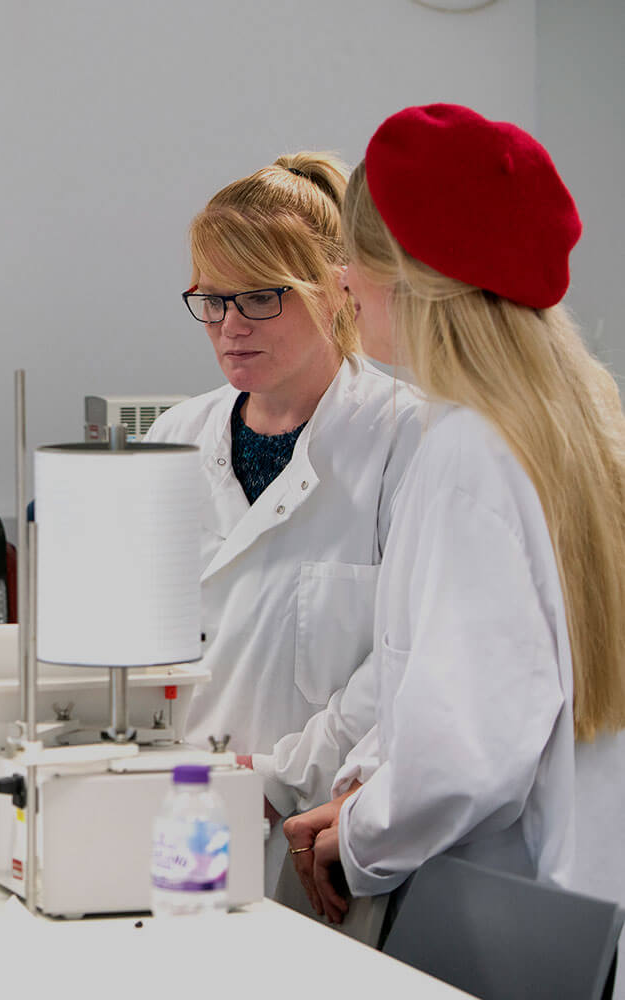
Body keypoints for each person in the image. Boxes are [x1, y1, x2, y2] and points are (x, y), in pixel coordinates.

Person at [284, 105, 625, 976]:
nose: (343, 280)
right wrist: (367, 787)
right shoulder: (587, 426)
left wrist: (356, 833)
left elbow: (467, 755)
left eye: (352, 256)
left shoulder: (469, 454)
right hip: (584, 917)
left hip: (501, 924)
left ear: (406, 277)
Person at [144, 152, 424, 891]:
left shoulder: (405, 441)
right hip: (176, 813)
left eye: (260, 298)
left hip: (317, 828)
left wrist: (280, 775)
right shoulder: (173, 438)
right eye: (212, 300)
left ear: (336, 290)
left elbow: (407, 655)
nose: (230, 326)